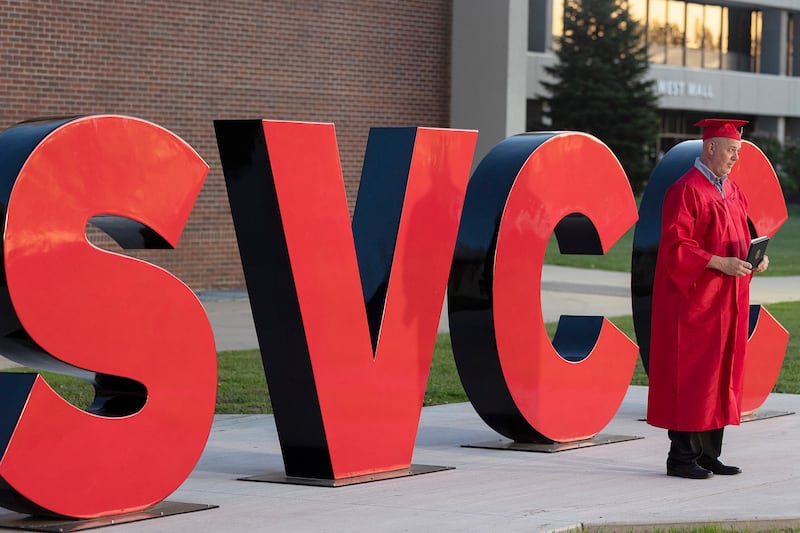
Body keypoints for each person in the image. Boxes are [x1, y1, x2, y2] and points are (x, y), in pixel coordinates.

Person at [646, 118, 770, 480]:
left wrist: (752, 259)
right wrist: (720, 263)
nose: (735, 158)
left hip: (727, 301)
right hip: (695, 304)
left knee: (721, 375)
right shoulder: (686, 190)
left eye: (738, 151)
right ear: (710, 147)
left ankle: (709, 455)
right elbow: (676, 248)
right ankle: (681, 458)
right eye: (731, 150)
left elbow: (740, 237)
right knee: (692, 378)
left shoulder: (732, 190)